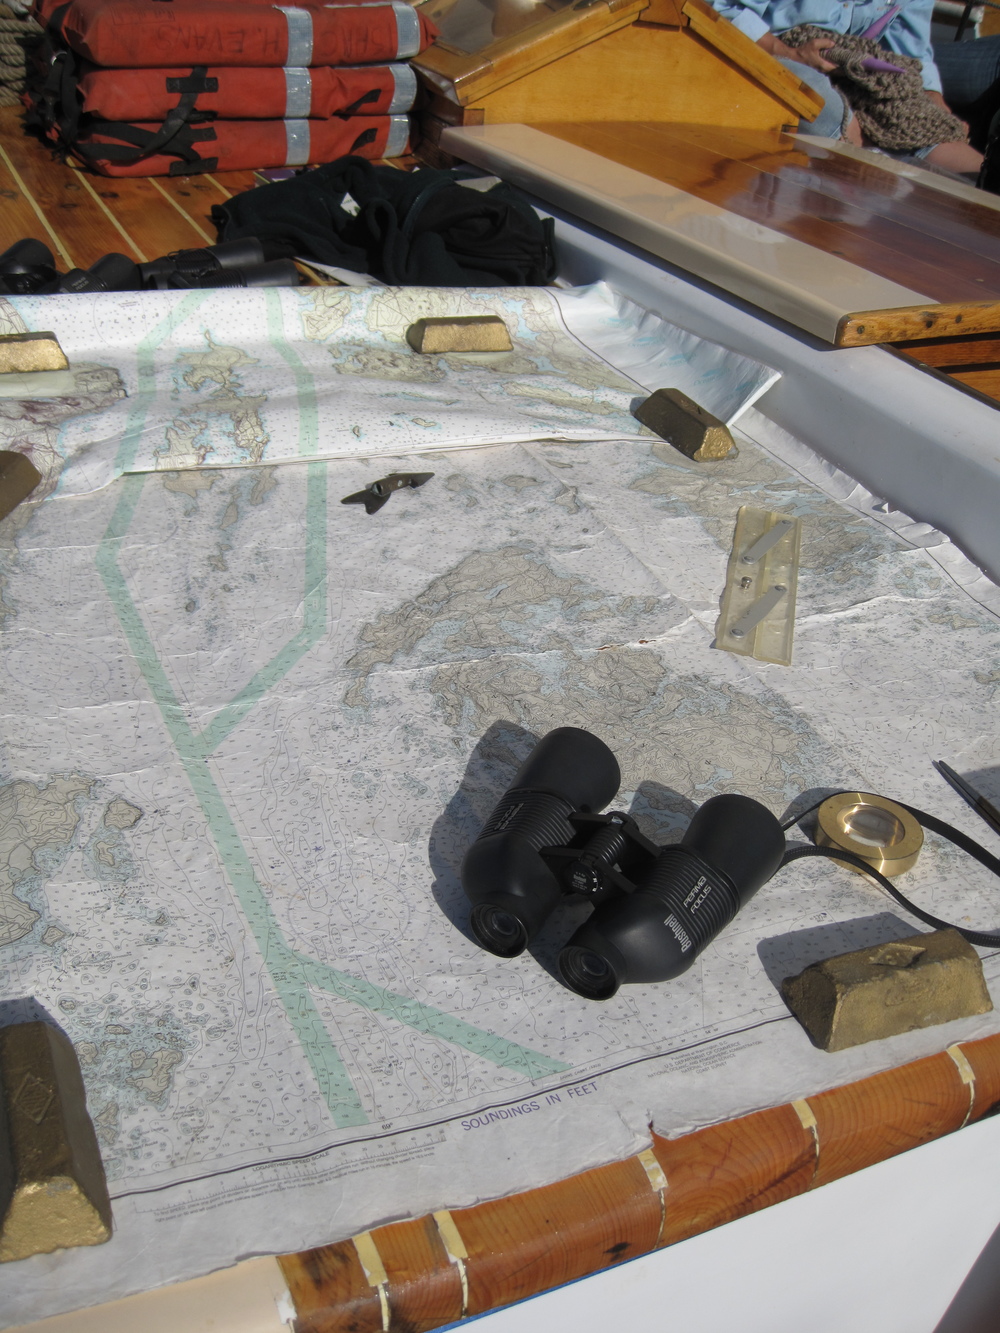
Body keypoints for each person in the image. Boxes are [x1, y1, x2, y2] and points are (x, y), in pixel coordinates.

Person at [708, 0, 983, 173]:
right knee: (832, 113)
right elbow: (722, 8)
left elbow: (911, 51)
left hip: (855, 70)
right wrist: (787, 51)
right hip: (765, 53)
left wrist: (932, 97)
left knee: (941, 137)